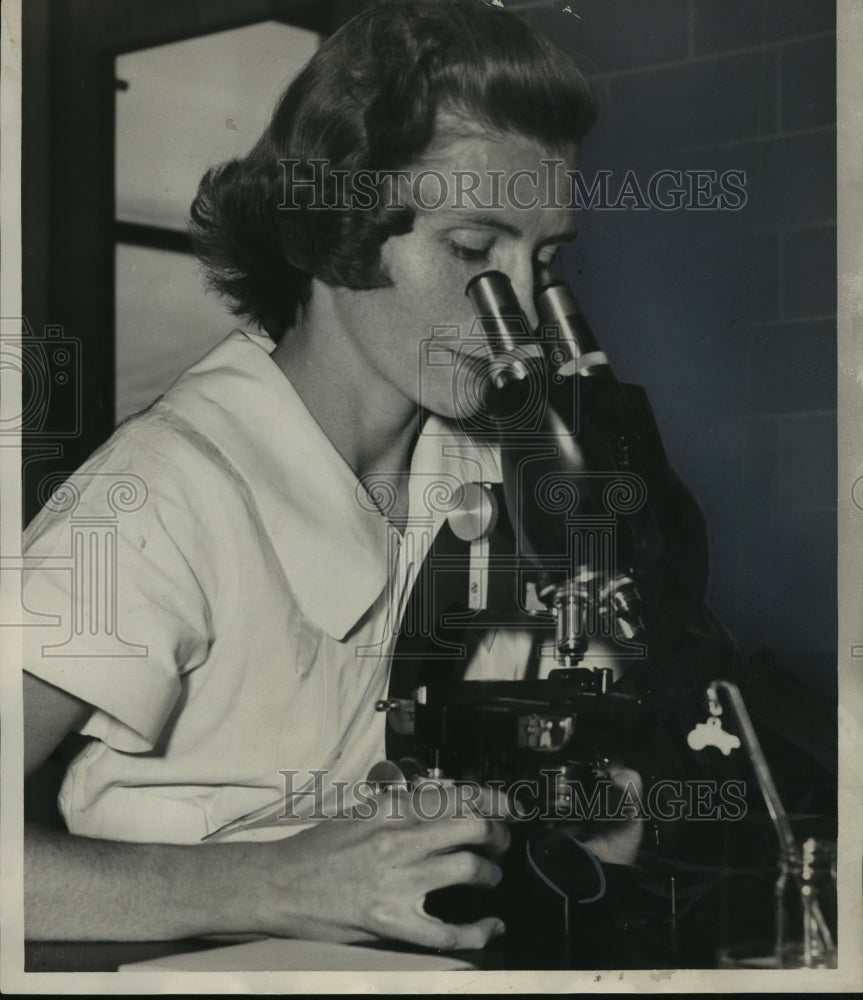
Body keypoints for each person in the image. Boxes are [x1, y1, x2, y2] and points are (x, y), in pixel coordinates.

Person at [23, 0, 647, 951]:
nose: (518, 309)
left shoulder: (489, 469)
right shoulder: (158, 496)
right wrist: (273, 882)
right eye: (473, 252)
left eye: (546, 258)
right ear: (337, 230)